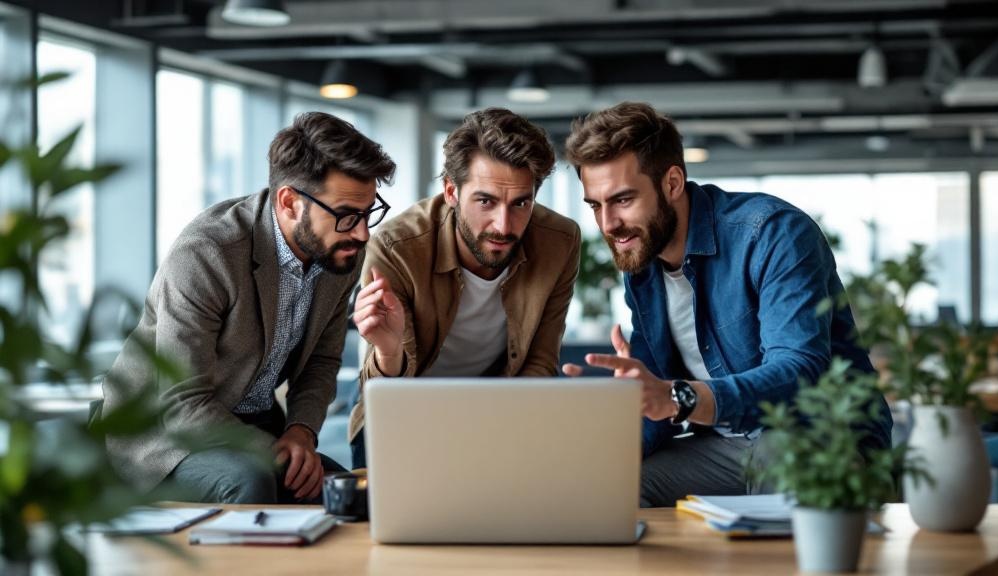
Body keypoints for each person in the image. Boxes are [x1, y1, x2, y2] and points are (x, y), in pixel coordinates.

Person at [562, 102, 892, 506]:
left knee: (779, 452)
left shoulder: (771, 234)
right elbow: (655, 394)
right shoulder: (642, 264)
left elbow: (799, 371)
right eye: (596, 205)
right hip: (722, 452)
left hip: (818, 437)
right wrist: (603, 448)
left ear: (672, 183)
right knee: (614, 488)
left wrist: (683, 399)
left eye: (623, 200)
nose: (609, 224)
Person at [102, 112, 396, 503]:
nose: (362, 233)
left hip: (258, 427)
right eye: (346, 215)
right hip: (164, 435)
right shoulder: (209, 253)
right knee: (253, 481)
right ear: (290, 202)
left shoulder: (339, 252)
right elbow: (182, 404)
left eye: (367, 212)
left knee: (350, 496)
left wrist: (301, 433)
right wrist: (277, 451)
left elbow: (322, 362)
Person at [347, 108, 581, 468]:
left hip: (502, 407)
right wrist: (388, 352)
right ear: (451, 192)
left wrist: (494, 430)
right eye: (485, 201)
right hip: (406, 408)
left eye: (521, 203)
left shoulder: (559, 241)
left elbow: (540, 361)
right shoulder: (397, 248)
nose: (503, 225)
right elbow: (383, 390)